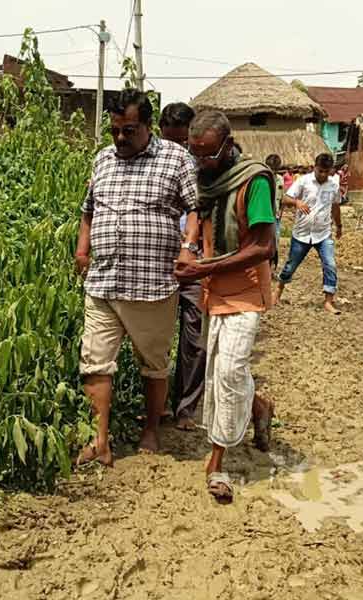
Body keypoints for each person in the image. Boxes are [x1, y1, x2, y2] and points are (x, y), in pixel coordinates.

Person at [75, 89, 201, 466]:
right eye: (114, 131)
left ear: (148, 126)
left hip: (152, 285)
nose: (120, 138)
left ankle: (150, 430)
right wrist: (82, 251)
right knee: (94, 361)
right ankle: (100, 442)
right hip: (104, 281)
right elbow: (88, 211)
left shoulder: (175, 158)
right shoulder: (103, 160)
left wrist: (187, 247)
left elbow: (195, 209)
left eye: (128, 130)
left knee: (153, 363)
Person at [174, 110, 276, 504]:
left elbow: (263, 247)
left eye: (208, 155)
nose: (200, 162)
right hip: (213, 287)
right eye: (194, 154)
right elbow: (198, 217)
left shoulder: (254, 181)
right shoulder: (208, 179)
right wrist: (189, 250)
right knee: (221, 367)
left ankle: (218, 463)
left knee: (228, 370)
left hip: (246, 288)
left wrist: (202, 267)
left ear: (228, 146)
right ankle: (260, 407)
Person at [160, 102, 205, 431]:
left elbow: (205, 212)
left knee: (194, 336)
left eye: (182, 142)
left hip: (195, 259)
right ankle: (159, 402)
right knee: (157, 335)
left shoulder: (203, 167)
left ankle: (186, 407)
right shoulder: (150, 164)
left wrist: (192, 248)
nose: (176, 148)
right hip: (158, 258)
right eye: (169, 140)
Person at [274, 153, 343, 314]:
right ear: (315, 168)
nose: (323, 175)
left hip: (323, 233)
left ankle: (328, 301)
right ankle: (278, 290)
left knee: (330, 264)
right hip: (302, 233)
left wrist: (339, 225)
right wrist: (297, 202)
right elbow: (285, 199)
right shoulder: (303, 181)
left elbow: (335, 207)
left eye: (327, 172)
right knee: (291, 265)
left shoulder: (333, 185)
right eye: (321, 171)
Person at [265, 153, 285, 271]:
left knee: (275, 243)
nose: (272, 172)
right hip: (264, 216)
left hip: (275, 217)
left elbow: (282, 199)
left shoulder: (280, 180)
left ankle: (272, 268)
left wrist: (281, 213)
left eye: (275, 170)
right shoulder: (261, 179)